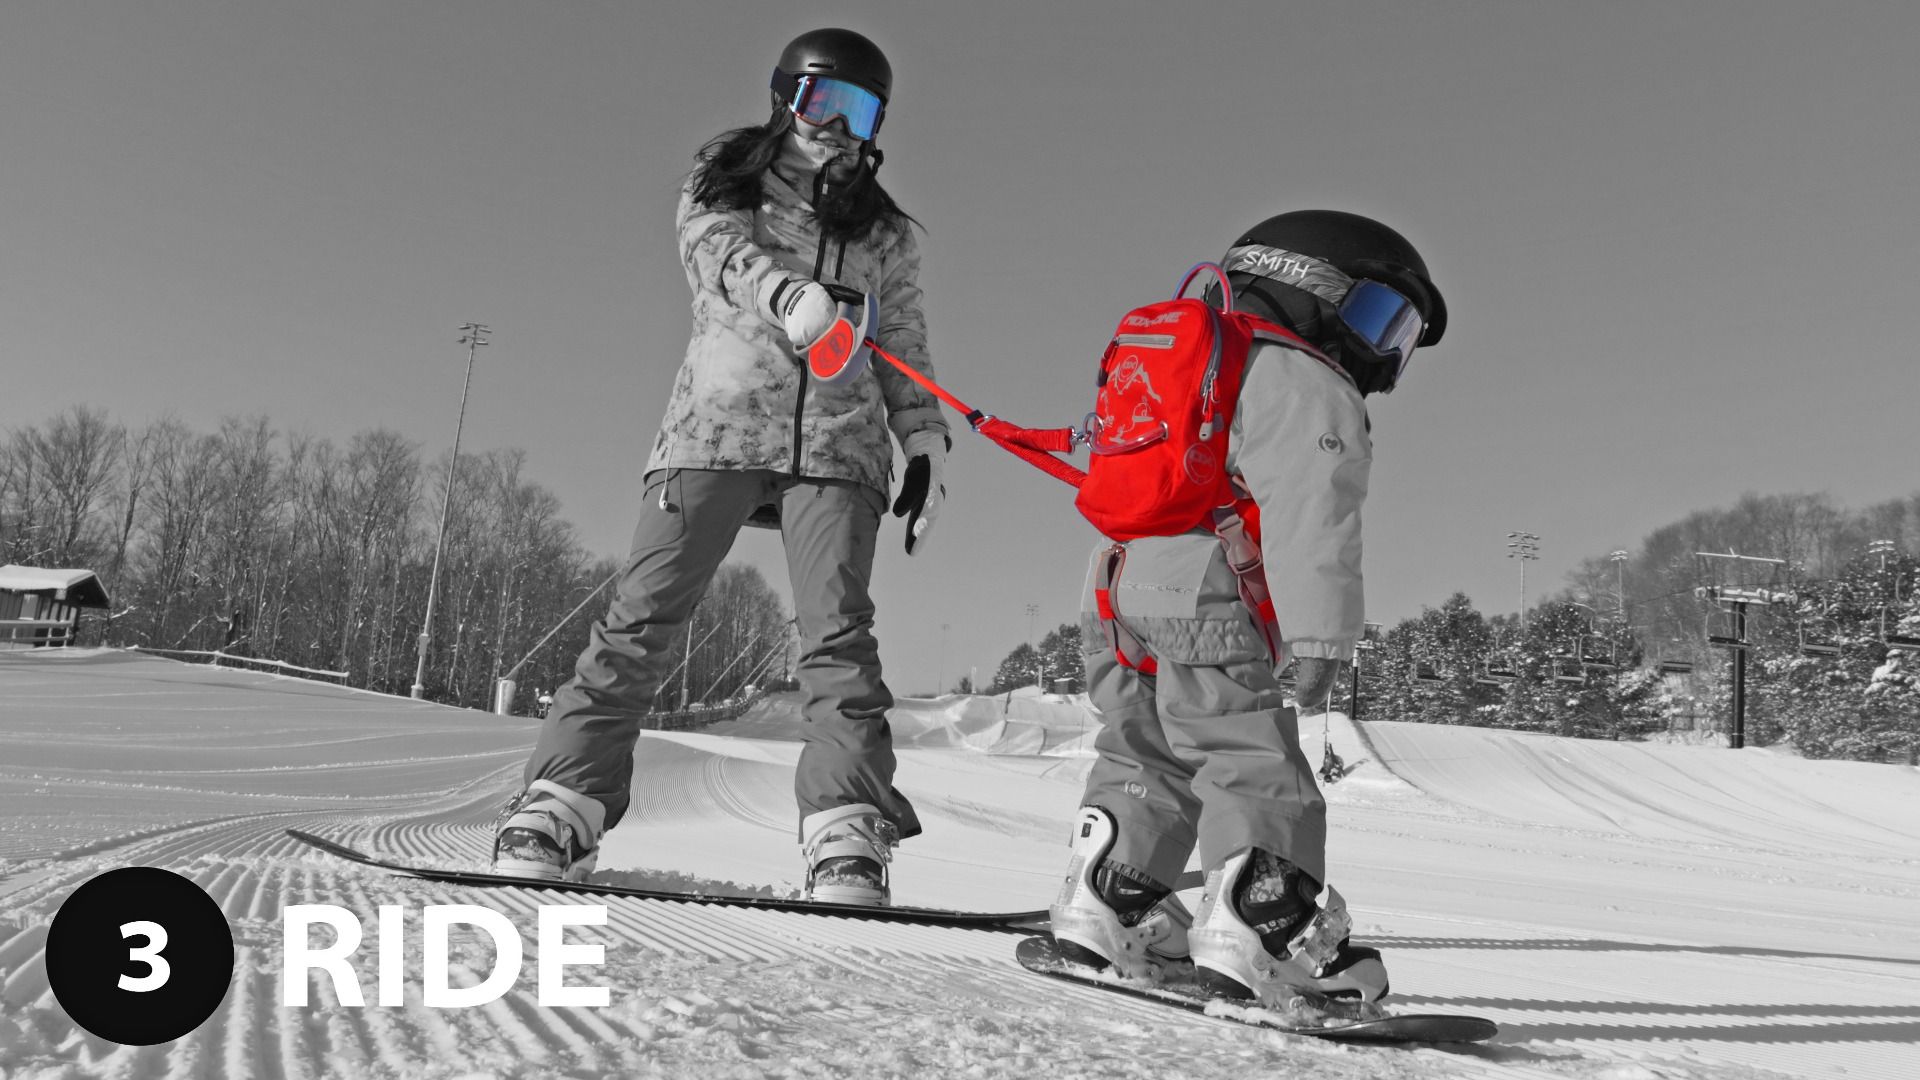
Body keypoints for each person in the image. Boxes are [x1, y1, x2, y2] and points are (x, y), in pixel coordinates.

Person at [491, 27, 948, 908]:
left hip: (840, 444)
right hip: (718, 427)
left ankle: (846, 828)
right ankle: (561, 802)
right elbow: (716, 254)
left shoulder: (885, 230)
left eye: (860, 112)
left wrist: (923, 440)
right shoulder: (729, 180)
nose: (837, 126)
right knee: (642, 618)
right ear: (786, 97)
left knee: (839, 638)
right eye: (823, 101)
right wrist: (789, 293)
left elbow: (903, 340)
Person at [1049, 210, 1446, 1004]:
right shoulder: (1308, 380)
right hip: (1205, 594)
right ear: (1307, 287)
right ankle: (1263, 931)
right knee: (1252, 760)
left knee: (1144, 753)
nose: (1384, 351)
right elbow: (1313, 512)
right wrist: (1323, 634)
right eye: (1379, 316)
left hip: (1113, 589)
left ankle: (1107, 906)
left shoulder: (1201, 359)